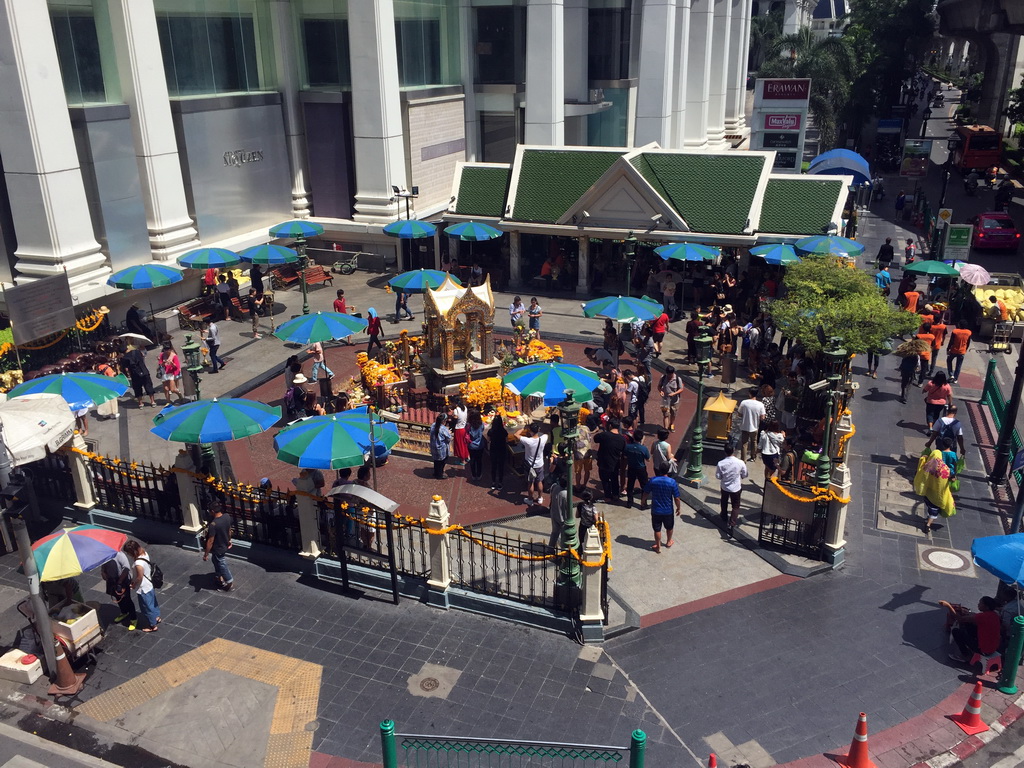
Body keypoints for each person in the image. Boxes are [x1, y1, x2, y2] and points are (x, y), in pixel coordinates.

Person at [947, 597, 1001, 664]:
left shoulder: (982, 617)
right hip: (993, 647)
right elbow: (973, 618)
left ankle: (965, 656)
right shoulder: (994, 615)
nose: (978, 604)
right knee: (969, 624)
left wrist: (950, 608)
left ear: (986, 607)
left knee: (956, 631)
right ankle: (969, 647)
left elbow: (960, 619)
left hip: (984, 650)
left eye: (980, 603)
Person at [641, 466, 682, 553]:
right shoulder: (672, 482)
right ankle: (668, 542)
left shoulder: (653, 480)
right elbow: (677, 498)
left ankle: (658, 546)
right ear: (668, 470)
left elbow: (646, 492)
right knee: (669, 527)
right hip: (668, 511)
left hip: (656, 510)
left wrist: (643, 501)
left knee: (657, 529)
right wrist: (678, 508)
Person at [914, 448, 955, 533]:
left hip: (928, 491)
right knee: (934, 510)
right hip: (938, 494)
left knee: (930, 507)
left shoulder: (928, 465)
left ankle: (928, 518)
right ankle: (928, 525)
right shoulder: (945, 469)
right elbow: (951, 478)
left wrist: (924, 458)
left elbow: (921, 468)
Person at [123, 539, 160, 632]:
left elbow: (139, 577)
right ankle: (157, 617)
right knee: (153, 603)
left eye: (128, 553)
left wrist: (134, 584)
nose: (128, 555)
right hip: (149, 584)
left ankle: (152, 625)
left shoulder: (138, 563)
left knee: (147, 607)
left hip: (143, 588)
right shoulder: (144, 553)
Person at [716, 444, 748, 537]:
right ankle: (732, 523)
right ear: (733, 450)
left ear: (725, 452)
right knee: (735, 506)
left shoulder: (721, 463)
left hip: (725, 487)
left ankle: (724, 515)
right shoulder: (740, 462)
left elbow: (718, 476)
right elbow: (745, 474)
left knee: (724, 500)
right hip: (736, 487)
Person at [101, 548, 137, 630]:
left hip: (122, 580)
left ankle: (133, 619)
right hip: (112, 580)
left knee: (127, 600)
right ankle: (124, 612)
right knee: (117, 598)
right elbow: (103, 567)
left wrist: (120, 582)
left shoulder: (120, 555)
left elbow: (126, 568)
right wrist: (103, 573)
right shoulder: (104, 555)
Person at [203, 502, 234, 591]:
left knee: (221, 563)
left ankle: (229, 581)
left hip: (218, 547)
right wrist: (229, 540)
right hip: (224, 544)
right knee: (216, 560)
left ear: (212, 511)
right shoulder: (227, 517)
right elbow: (229, 530)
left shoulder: (214, 524)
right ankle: (218, 577)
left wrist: (206, 554)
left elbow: (210, 541)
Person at [594, 419, 626, 502]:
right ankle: (615, 495)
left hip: (603, 462)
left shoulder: (605, 435)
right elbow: (623, 451)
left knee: (605, 480)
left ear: (610, 426)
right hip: (615, 463)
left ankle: (607, 496)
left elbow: (595, 438)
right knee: (614, 479)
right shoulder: (622, 439)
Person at [516, 423, 549, 506]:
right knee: (539, 481)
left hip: (530, 465)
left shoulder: (528, 441)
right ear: (538, 430)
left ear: (530, 431)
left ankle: (530, 499)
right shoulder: (543, 439)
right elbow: (546, 433)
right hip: (540, 464)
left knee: (530, 482)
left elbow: (516, 435)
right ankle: (540, 498)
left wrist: (524, 428)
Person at [120, 343, 157, 408]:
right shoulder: (137, 351)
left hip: (134, 374)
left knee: (137, 388)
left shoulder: (124, 358)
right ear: (127, 348)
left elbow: (126, 368)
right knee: (148, 385)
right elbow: (142, 356)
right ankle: (152, 401)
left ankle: (140, 403)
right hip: (144, 371)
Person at [737, 388, 766, 462]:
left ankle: (743, 459)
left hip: (745, 426)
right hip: (755, 427)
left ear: (750, 393)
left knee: (744, 443)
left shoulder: (744, 403)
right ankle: (753, 457)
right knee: (754, 442)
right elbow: (763, 417)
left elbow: (739, 414)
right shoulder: (760, 404)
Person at [623, 429, 650, 508]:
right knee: (644, 485)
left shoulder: (628, 447)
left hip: (631, 467)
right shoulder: (643, 448)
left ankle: (629, 502)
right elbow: (648, 459)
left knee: (630, 485)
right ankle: (643, 503)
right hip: (641, 468)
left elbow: (625, 456)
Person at [488, 414, 509, 490]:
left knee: (493, 467)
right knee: (501, 467)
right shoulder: (504, 431)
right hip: (502, 450)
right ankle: (500, 483)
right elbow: (506, 440)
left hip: (493, 450)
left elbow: (488, 439)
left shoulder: (491, 431)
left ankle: (493, 482)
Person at [659, 366, 684, 431]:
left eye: (670, 374)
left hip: (674, 400)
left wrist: (674, 393)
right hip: (665, 400)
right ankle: (665, 429)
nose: (669, 376)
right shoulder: (663, 377)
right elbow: (659, 386)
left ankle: (671, 424)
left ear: (673, 373)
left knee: (673, 414)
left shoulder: (678, 379)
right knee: (665, 414)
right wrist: (661, 391)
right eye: (668, 374)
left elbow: (681, 389)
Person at [429, 413, 453, 479]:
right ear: (443, 421)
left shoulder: (433, 425)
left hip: (434, 447)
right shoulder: (443, 429)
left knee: (436, 461)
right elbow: (449, 438)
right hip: (442, 448)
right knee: (442, 462)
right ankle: (440, 474)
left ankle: (436, 473)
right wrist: (449, 433)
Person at [466, 409, 485, 481]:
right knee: (479, 460)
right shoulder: (481, 424)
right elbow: (482, 430)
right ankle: (479, 474)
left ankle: (474, 474)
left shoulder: (468, 425)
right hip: (480, 445)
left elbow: (466, 432)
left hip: (471, 445)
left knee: (472, 460)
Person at [451, 398, 469, 465]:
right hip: (463, 429)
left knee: (459, 445)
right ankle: (466, 456)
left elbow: (455, 419)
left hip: (458, 429)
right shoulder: (465, 408)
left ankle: (462, 460)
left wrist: (452, 416)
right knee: (464, 444)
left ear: (454, 403)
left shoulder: (456, 410)